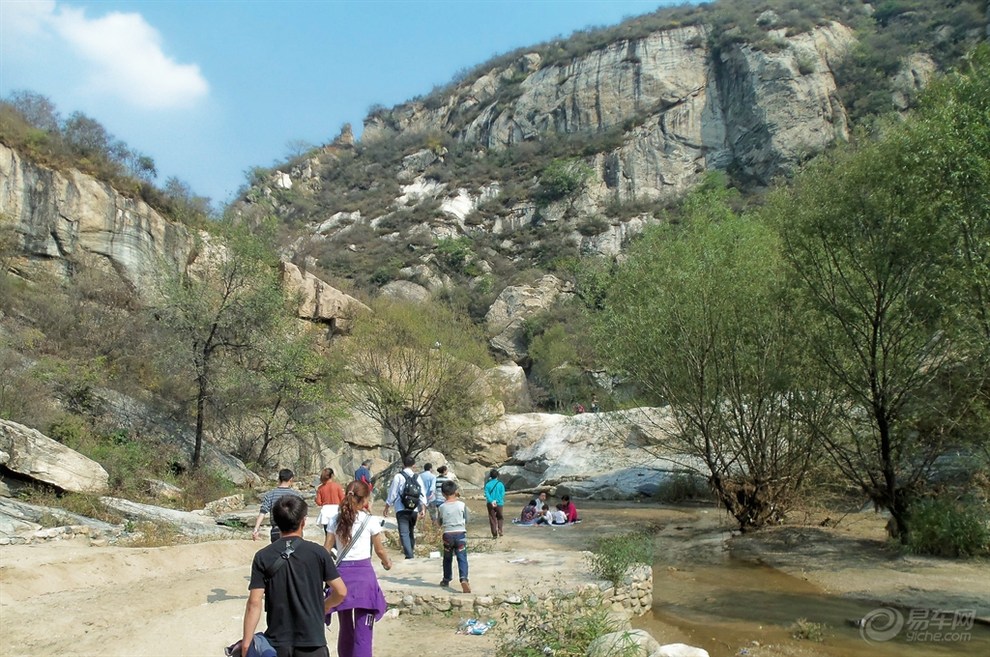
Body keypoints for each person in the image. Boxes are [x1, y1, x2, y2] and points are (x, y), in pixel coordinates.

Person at [240, 495, 347, 657]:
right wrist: (324, 606)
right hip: (313, 641)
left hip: (277, 643)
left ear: (276, 522)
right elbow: (341, 592)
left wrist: (246, 643)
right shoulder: (318, 553)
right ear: (303, 522)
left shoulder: (263, 556)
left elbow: (254, 603)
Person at [325, 480, 392, 657]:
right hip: (364, 579)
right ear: (365, 500)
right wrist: (387, 562)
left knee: (345, 627)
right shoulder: (370, 521)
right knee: (364, 630)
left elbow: (326, 549)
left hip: (341, 578)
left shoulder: (335, 520)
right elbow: (379, 550)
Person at [383, 456, 426, 558]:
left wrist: (387, 506)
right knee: (410, 530)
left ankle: (409, 555)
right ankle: (411, 551)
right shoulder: (417, 477)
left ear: (403, 464)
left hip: (401, 508)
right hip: (414, 509)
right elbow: (422, 493)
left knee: (404, 533)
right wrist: (423, 508)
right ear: (414, 465)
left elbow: (393, 493)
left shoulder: (398, 476)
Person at [252, 468, 304, 543]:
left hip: (276, 530)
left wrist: (256, 529)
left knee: (277, 553)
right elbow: (303, 515)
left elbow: (262, 512)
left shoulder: (270, 495)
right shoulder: (297, 495)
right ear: (291, 479)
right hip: (294, 531)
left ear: (279, 479)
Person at [437, 479, 470, 593]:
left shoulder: (441, 507)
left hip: (447, 535)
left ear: (443, 494)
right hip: (460, 534)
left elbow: (439, 522)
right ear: (456, 491)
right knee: (462, 558)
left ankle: (446, 579)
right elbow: (467, 519)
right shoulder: (462, 505)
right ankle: (464, 578)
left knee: (447, 558)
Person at [316, 468, 345, 537]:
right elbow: (343, 499)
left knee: (328, 534)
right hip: (336, 510)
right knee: (338, 534)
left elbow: (319, 502)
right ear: (332, 475)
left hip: (326, 511)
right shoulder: (337, 486)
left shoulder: (320, 488)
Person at [483, 469, 505, 539]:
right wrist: (497, 500)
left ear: (490, 476)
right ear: (497, 476)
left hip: (490, 503)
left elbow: (487, 494)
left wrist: (492, 500)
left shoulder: (487, 485)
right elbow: (502, 494)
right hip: (499, 503)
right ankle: (500, 530)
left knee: (492, 518)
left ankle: (494, 534)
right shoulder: (500, 484)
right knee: (500, 517)